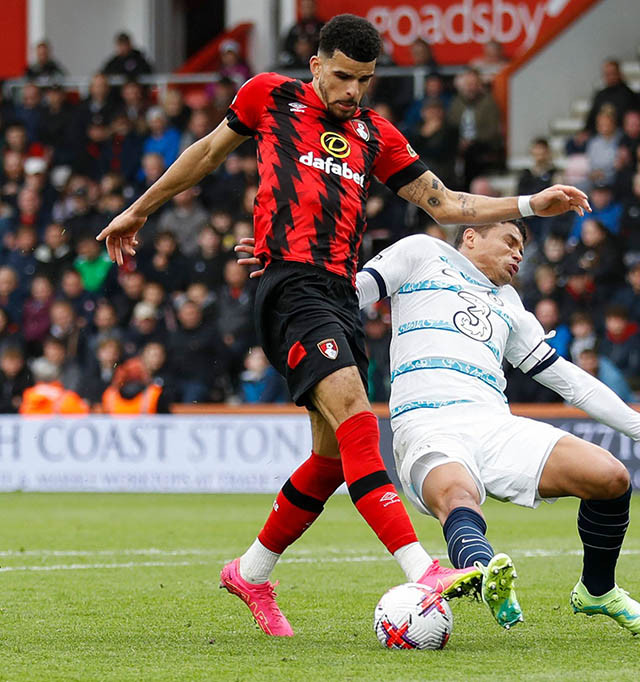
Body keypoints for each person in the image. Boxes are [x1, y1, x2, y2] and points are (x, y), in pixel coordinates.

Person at [97, 14, 591, 637]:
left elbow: (446, 205)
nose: (353, 91)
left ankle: (250, 574)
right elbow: (204, 155)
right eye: (343, 76)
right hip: (289, 290)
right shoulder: (269, 96)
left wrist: (528, 204)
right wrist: (137, 211)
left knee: (331, 458)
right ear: (317, 65)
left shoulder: (374, 133)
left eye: (364, 80)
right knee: (359, 415)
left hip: (339, 295)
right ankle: (423, 568)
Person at [241, 222, 640, 634]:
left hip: (494, 423)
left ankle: (597, 590)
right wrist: (289, 277)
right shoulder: (423, 253)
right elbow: (345, 293)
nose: (517, 256)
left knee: (611, 478)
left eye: (522, 251)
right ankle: (485, 574)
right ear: (471, 235)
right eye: (509, 242)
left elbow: (571, 382)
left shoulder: (510, 305)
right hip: (426, 425)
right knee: (457, 495)